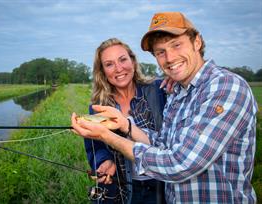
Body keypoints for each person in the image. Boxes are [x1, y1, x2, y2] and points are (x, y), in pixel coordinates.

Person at [72, 12, 258, 203]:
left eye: (176, 45)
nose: (169, 58)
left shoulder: (225, 86)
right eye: (160, 52)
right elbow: (163, 144)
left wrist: (106, 135)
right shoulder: (177, 93)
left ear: (197, 42)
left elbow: (180, 163)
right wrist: (125, 125)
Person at [84, 38, 167, 204]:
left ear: (133, 62)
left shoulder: (160, 90)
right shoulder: (98, 107)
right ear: (103, 72)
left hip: (161, 187)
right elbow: (95, 148)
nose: (118, 68)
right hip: (124, 188)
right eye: (109, 64)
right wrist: (104, 160)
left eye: (122, 60)